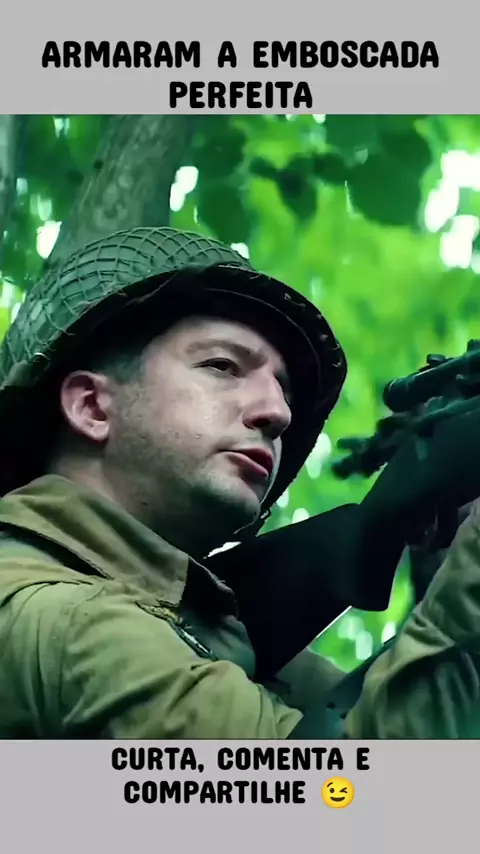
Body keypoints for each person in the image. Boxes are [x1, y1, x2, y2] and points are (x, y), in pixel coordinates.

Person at [0, 225, 478, 739]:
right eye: (222, 366)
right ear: (92, 407)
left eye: (283, 391)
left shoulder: (216, 638)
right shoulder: (63, 621)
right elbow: (339, 785)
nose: (278, 413)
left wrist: (445, 560)